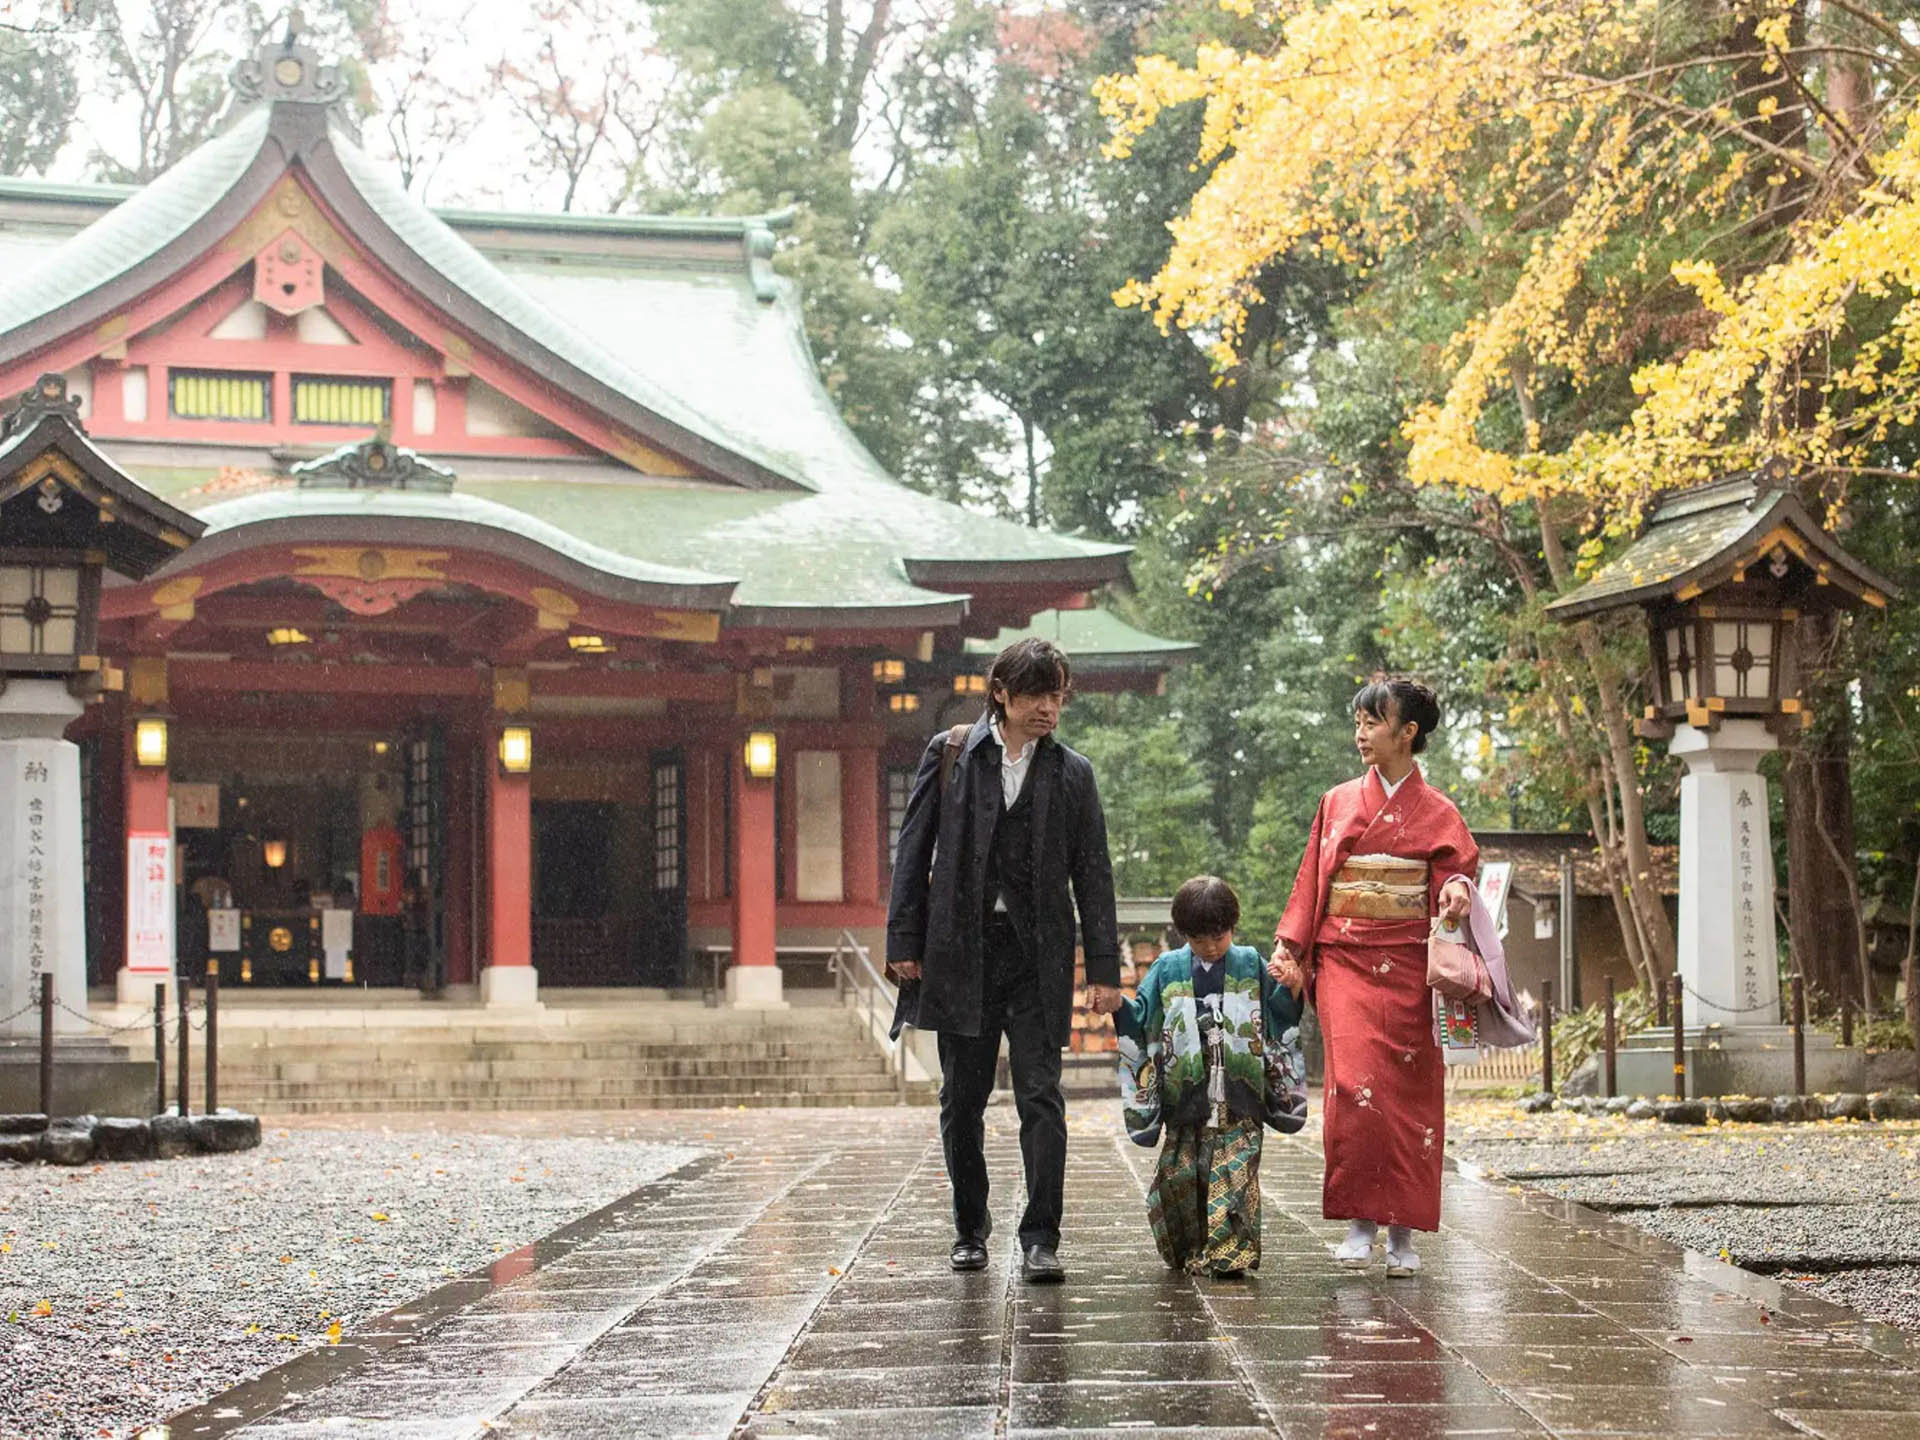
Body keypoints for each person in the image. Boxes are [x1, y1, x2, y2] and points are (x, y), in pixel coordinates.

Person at [887, 638, 1121, 1283]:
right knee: (962, 1097)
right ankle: (970, 1229)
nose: (1049, 708)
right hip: (961, 952)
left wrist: (1104, 970)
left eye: (1057, 696)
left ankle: (1042, 1235)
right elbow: (913, 851)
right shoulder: (952, 755)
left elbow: (1093, 873)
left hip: (1038, 956)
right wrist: (903, 944)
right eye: (1037, 695)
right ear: (1002, 693)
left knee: (1042, 1095)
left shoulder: (1073, 773)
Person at [1267, 676, 1476, 1277]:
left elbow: (1454, 873)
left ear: (1408, 732)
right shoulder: (1337, 801)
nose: (1360, 733)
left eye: (1373, 723)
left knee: (1410, 1097)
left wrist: (1456, 893)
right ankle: (1361, 1222)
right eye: (1357, 722)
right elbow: (1313, 880)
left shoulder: (1440, 812)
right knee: (1353, 1087)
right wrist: (1292, 948)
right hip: (1348, 962)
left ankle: (1403, 1234)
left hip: (1411, 964)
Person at [1108, 876, 1303, 1277]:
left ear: (1233, 926)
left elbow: (1279, 1016)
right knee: (1182, 1176)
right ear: (1184, 934)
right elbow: (1142, 1017)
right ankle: (1191, 1249)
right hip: (1188, 1094)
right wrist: (1118, 1005)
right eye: (1200, 940)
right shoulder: (1167, 967)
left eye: (1219, 936)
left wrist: (1292, 989)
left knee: (1236, 1174)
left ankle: (1232, 1254)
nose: (1212, 946)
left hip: (1239, 1094)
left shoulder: (1251, 962)